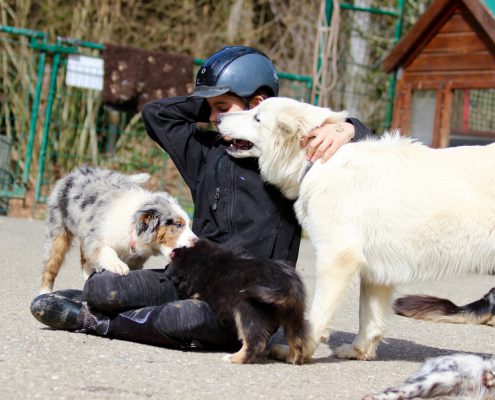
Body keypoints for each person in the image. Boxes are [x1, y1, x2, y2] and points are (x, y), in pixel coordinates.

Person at [30, 46, 372, 350]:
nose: (214, 118)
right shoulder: (206, 153)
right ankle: (106, 305)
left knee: (187, 318)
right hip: (187, 275)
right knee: (101, 287)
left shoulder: (290, 159)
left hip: (248, 299)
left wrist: (348, 128)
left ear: (258, 105)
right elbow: (155, 114)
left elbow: (370, 151)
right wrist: (212, 103)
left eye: (222, 107)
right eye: (211, 110)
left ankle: (98, 322)